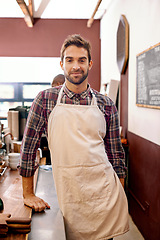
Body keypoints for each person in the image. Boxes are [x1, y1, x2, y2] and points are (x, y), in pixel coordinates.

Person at [19, 34, 129, 240]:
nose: (76, 66)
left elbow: (116, 154)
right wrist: (28, 194)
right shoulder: (45, 100)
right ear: (62, 63)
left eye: (81, 60)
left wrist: (120, 194)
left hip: (103, 194)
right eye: (70, 60)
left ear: (90, 63)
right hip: (68, 191)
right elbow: (28, 148)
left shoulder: (106, 104)